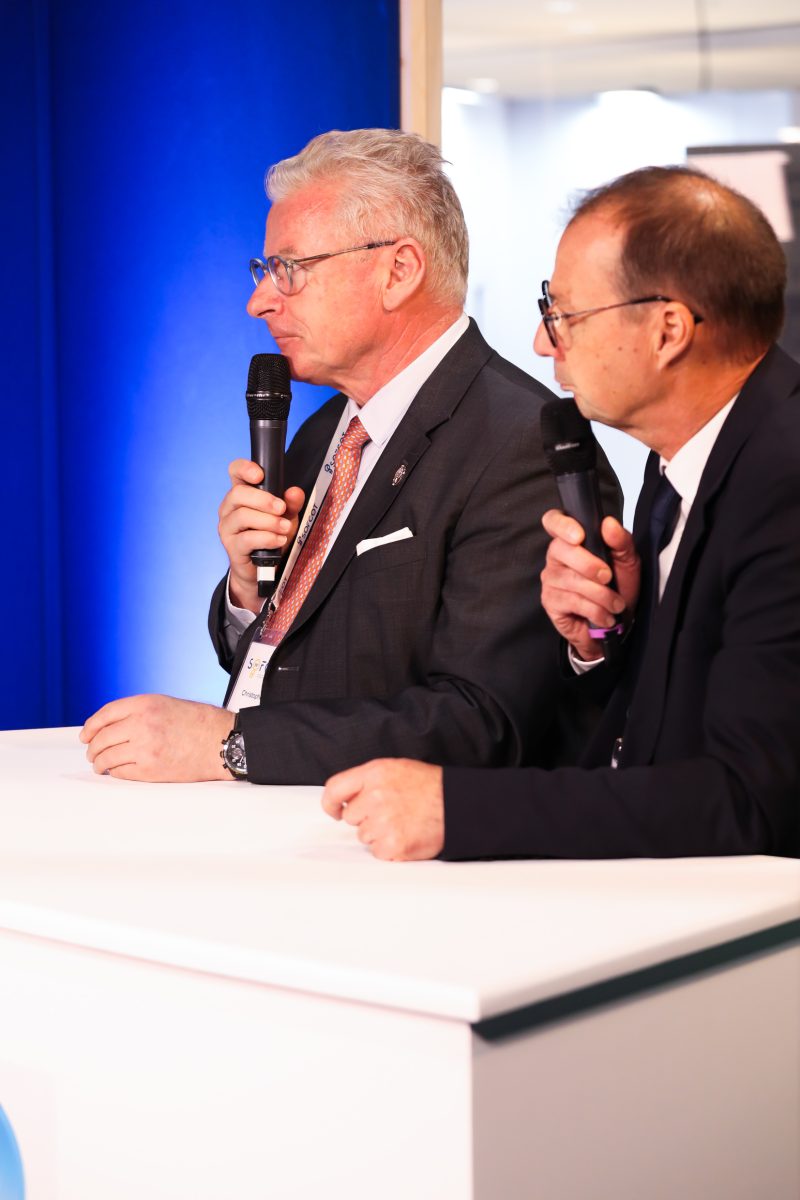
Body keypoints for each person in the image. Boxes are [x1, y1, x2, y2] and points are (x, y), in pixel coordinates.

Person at [82, 128, 614, 782]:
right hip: (269, 817)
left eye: (289, 269)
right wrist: (248, 591)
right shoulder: (322, 432)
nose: (259, 301)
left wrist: (230, 744)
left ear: (398, 271)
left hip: (377, 837)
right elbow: (289, 662)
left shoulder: (519, 442)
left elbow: (481, 721)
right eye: (264, 272)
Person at [322, 164, 800, 861]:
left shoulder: (785, 478)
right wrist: (602, 638)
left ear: (667, 330)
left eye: (564, 315)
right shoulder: (678, 459)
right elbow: (659, 731)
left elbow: (751, 801)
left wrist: (459, 809)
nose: (544, 343)